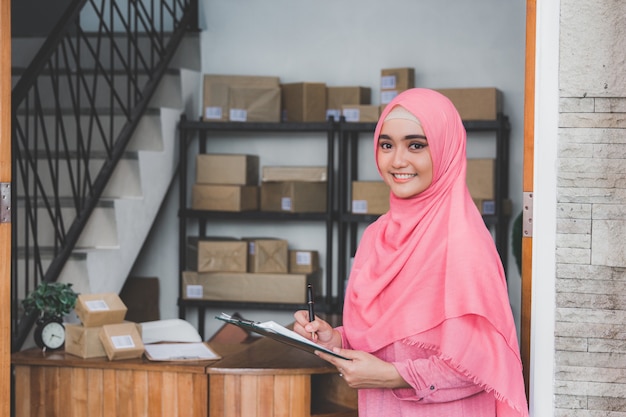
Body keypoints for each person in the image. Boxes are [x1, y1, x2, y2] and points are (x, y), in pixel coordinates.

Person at [293, 88, 529, 416]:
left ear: (447, 150)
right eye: (386, 145)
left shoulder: (464, 243)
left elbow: (482, 366)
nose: (397, 161)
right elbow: (385, 340)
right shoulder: (376, 237)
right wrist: (336, 340)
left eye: (416, 145)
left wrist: (392, 376)